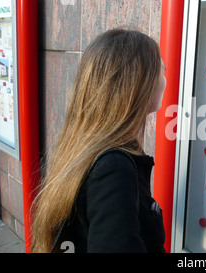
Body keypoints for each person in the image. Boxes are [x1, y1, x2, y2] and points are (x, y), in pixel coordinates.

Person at [31, 28, 167, 253]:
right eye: (160, 70)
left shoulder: (86, 145)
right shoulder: (114, 169)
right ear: (136, 85)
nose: (164, 78)